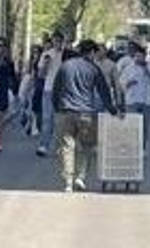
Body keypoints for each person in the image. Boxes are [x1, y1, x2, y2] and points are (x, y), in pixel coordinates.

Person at [51, 39, 119, 192]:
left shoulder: (65, 66)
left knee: (67, 146)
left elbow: (56, 89)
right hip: (86, 113)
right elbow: (104, 92)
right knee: (86, 146)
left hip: (66, 111)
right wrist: (113, 110)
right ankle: (80, 177)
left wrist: (56, 107)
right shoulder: (93, 69)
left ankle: (68, 181)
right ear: (92, 52)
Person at [118, 41, 150, 146]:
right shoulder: (129, 68)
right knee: (132, 124)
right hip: (132, 100)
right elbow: (121, 82)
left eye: (140, 57)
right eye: (137, 56)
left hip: (146, 100)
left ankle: (142, 147)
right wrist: (128, 84)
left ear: (144, 57)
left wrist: (147, 71)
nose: (138, 59)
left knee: (145, 126)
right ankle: (132, 146)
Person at [35, 31, 66, 157]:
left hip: (63, 92)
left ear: (62, 42)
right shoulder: (46, 54)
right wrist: (46, 65)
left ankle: (60, 147)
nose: (57, 43)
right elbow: (40, 75)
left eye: (59, 41)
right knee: (47, 119)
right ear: (52, 41)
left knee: (60, 121)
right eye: (55, 41)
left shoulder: (67, 55)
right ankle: (44, 146)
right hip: (48, 90)